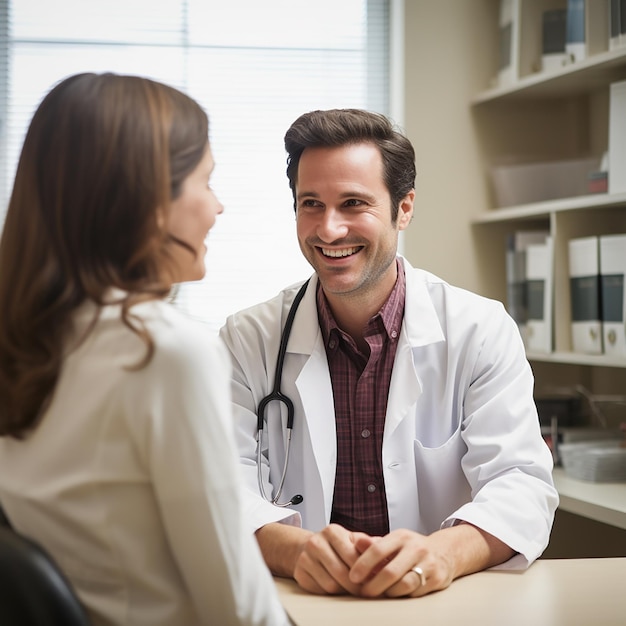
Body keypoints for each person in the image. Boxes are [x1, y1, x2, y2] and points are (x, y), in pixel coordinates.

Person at [219, 108, 559, 600]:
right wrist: (294, 551)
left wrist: (444, 553)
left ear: (404, 208)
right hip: (302, 602)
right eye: (310, 203)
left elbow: (522, 485)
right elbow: (218, 491)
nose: (329, 229)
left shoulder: (478, 330)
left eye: (353, 203)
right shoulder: (246, 339)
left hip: (438, 603)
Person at [0, 72, 291, 626]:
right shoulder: (160, 350)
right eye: (206, 182)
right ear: (152, 197)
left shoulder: (30, 337)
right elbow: (237, 606)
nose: (218, 207)